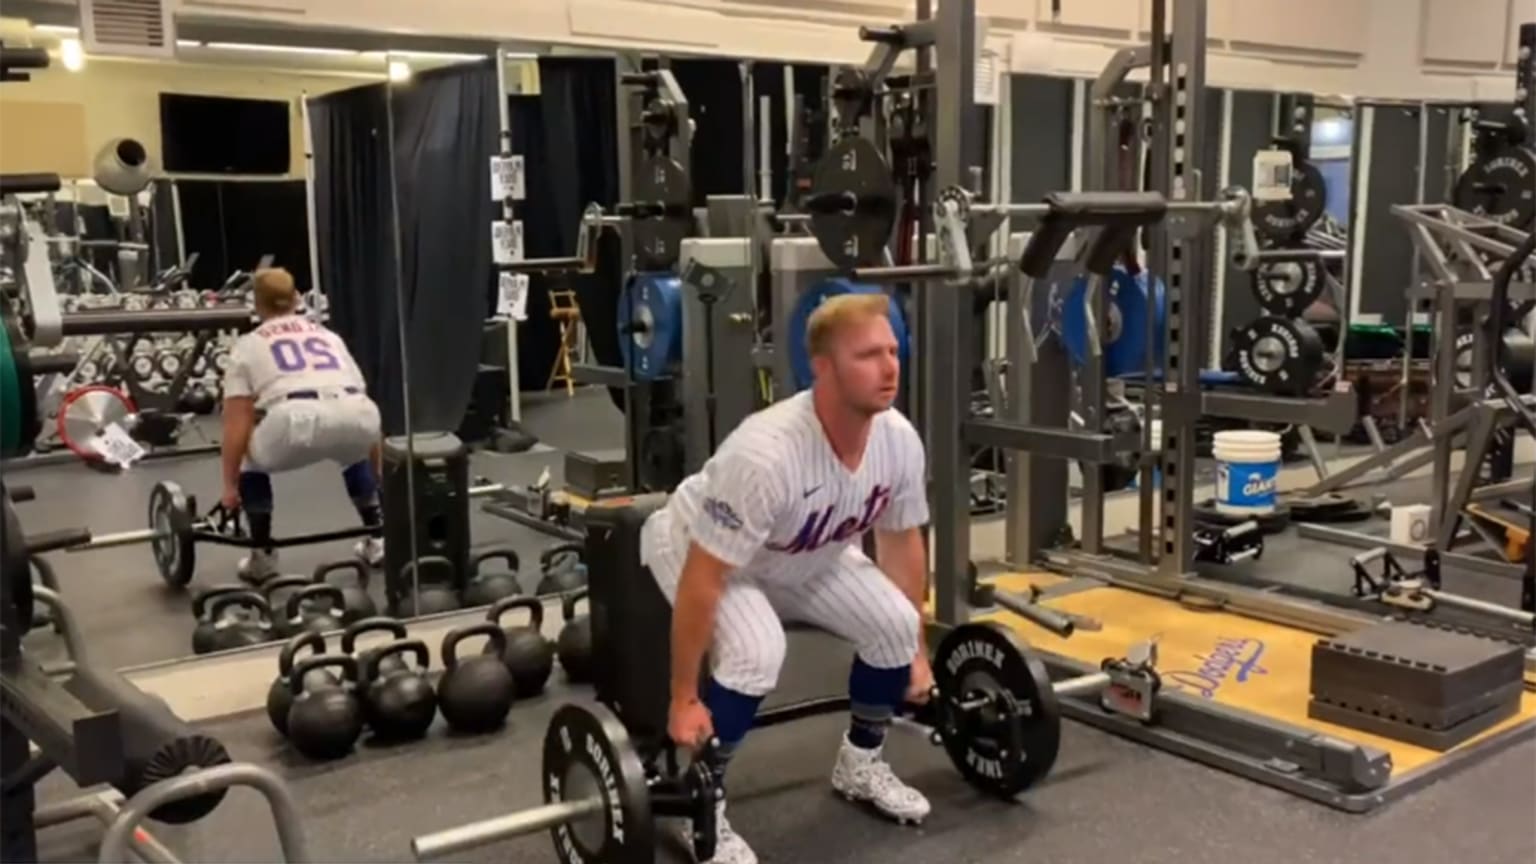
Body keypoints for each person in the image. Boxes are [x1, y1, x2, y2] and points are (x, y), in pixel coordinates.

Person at [640, 292, 931, 864]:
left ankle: (860, 765)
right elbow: (703, 577)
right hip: (699, 549)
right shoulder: (766, 454)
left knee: (896, 627)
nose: (890, 367)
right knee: (757, 652)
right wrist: (682, 698)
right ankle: (702, 802)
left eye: (892, 351)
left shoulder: (898, 440)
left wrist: (917, 651)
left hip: (802, 552)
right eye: (868, 354)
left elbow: (901, 544)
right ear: (821, 367)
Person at [218, 267, 384, 582]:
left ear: (257, 303)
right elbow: (362, 404)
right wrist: (378, 471)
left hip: (296, 421)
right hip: (359, 414)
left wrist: (229, 488)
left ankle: (263, 555)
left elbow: (235, 424)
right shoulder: (330, 337)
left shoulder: (248, 346)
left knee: (249, 459)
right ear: (296, 299)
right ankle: (378, 537)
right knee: (353, 449)